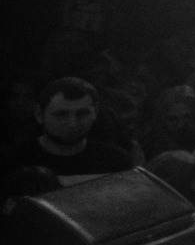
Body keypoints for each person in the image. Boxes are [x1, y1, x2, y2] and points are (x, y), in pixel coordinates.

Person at [0, 78, 136, 187]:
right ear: (39, 114)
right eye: (61, 114)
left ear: (95, 112)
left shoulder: (116, 161)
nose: (72, 123)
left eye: (82, 114)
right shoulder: (11, 161)